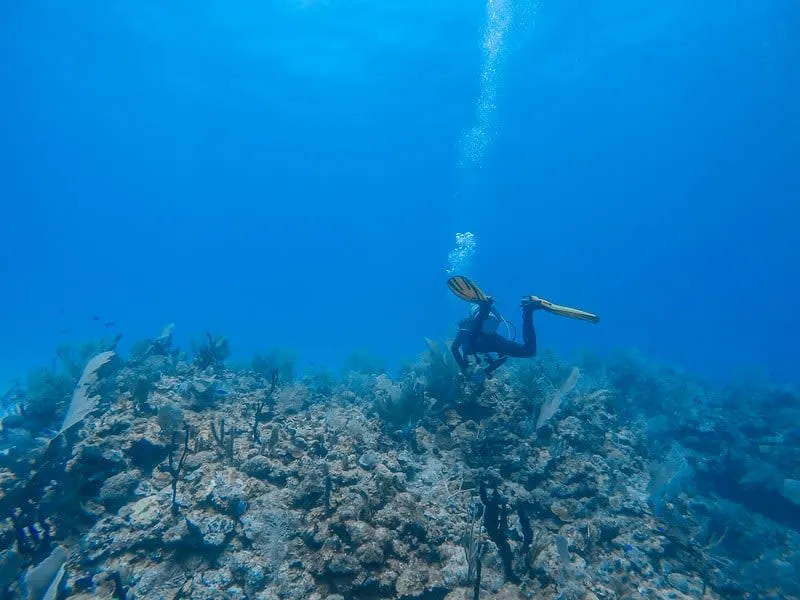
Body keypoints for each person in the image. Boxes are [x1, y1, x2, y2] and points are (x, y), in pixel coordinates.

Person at [450, 295, 541, 380]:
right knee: (530, 351)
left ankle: (485, 307)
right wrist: (485, 371)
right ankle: (528, 310)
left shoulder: (467, 329)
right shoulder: (471, 333)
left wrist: (464, 368)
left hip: (482, 337)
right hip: (490, 339)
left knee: (472, 339)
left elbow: (454, 348)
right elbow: (503, 357)